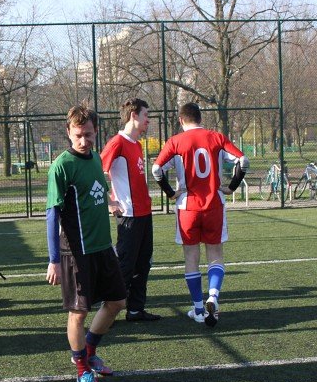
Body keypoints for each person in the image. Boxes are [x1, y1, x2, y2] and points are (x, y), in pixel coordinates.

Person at [46, 105, 126, 382]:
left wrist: (110, 203)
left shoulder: (95, 158)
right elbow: (52, 214)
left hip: (103, 247)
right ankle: (82, 371)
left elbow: (96, 190)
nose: (84, 141)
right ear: (68, 132)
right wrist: (54, 260)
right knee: (78, 313)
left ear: (95, 132)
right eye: (78, 135)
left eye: (88, 135)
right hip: (76, 252)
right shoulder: (61, 166)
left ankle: (88, 351)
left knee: (117, 302)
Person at [151, 102, 248, 328]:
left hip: (187, 207)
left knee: (191, 258)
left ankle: (197, 309)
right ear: (200, 118)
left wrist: (170, 193)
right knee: (215, 254)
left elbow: (156, 169)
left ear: (181, 120)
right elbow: (243, 161)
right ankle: (213, 297)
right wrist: (232, 187)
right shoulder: (216, 138)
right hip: (214, 204)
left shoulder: (175, 142)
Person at [100, 98, 161, 322]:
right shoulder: (117, 142)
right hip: (128, 215)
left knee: (143, 263)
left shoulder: (136, 144)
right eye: (146, 115)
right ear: (133, 115)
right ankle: (107, 314)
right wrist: (110, 201)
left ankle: (135, 310)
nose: (148, 120)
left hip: (144, 213)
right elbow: (98, 171)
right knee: (125, 265)